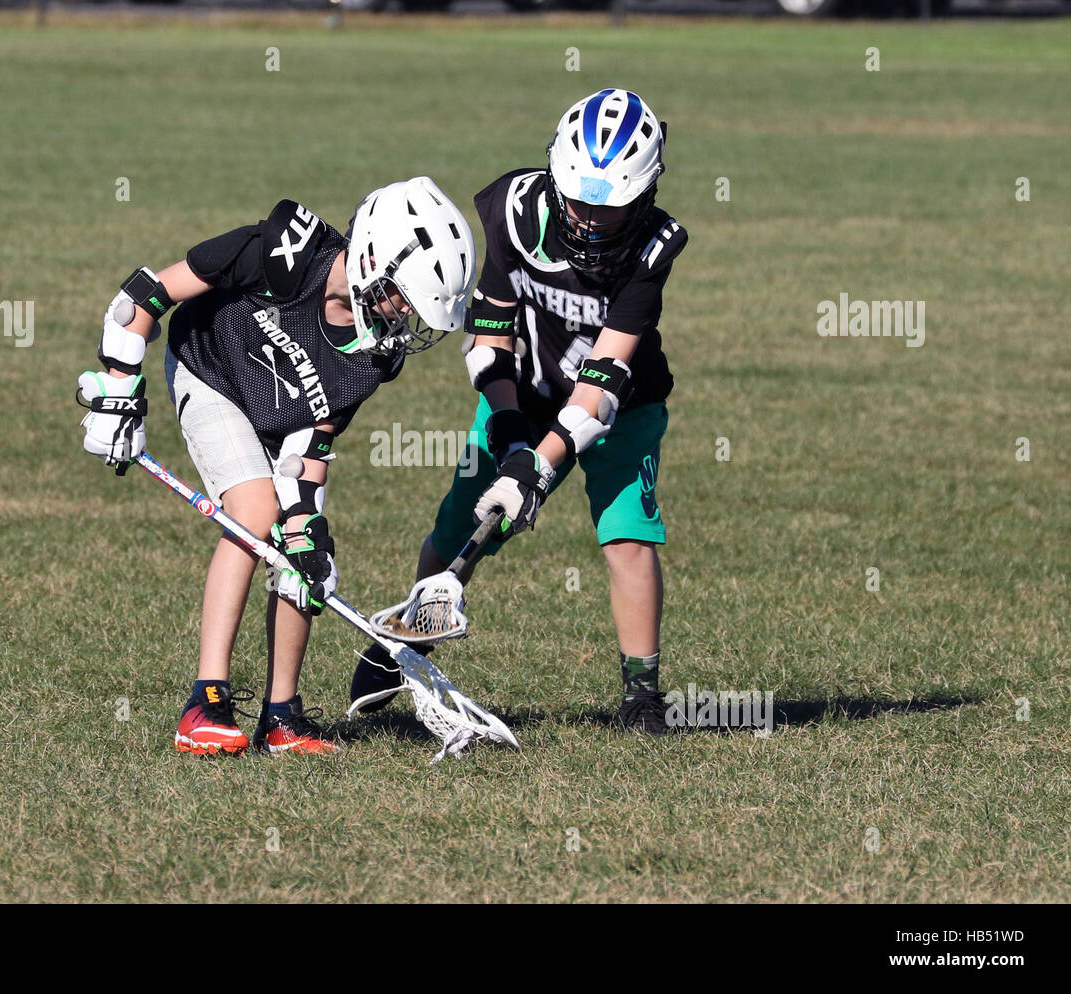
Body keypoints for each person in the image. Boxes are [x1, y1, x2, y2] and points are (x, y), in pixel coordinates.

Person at [79, 177, 475, 755]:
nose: (404, 319)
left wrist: (306, 529)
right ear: (371, 259)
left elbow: (313, 438)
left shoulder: (376, 353)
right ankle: (205, 700)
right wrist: (118, 393)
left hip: (281, 413)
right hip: (211, 372)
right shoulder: (284, 254)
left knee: (302, 550)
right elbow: (138, 300)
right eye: (403, 299)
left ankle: (282, 717)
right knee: (255, 510)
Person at [351, 90, 688, 734]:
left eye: (606, 210)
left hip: (622, 406)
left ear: (643, 199)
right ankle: (407, 649)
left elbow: (602, 385)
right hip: (524, 396)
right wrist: (509, 440)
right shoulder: (512, 211)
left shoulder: (651, 252)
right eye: (579, 203)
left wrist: (536, 469)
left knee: (627, 537)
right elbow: (490, 335)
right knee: (457, 531)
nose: (588, 222)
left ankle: (642, 694)